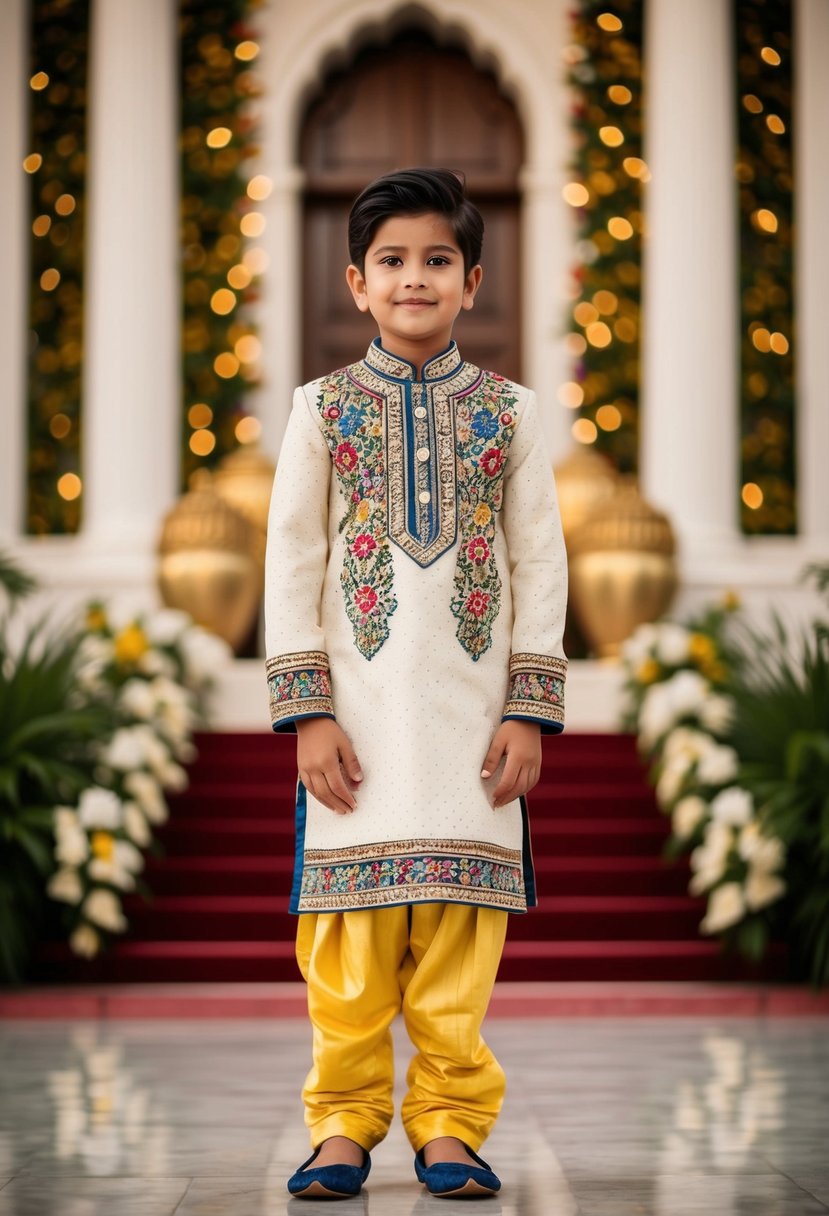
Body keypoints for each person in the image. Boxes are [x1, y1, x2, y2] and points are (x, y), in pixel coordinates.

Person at [264, 167, 568, 1200]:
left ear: (472, 280)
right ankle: (343, 1122)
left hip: (470, 724)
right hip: (354, 721)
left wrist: (528, 708)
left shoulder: (512, 415)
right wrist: (306, 712)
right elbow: (293, 560)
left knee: (456, 941)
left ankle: (447, 1121)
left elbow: (539, 563)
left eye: (437, 259)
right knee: (345, 948)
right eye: (391, 260)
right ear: (354, 282)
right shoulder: (321, 409)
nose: (413, 278)